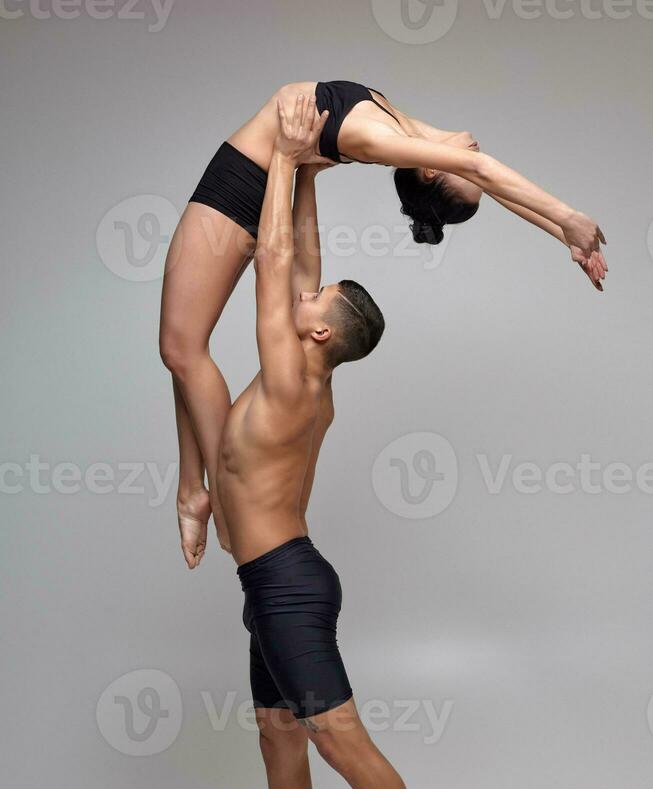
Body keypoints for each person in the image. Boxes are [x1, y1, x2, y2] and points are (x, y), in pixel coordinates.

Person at [203, 97, 457, 789]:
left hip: (285, 585)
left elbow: (275, 261)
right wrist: (311, 171)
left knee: (336, 736)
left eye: (313, 301)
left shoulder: (286, 380)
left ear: (314, 331)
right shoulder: (311, 379)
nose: (303, 292)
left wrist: (278, 156)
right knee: (280, 736)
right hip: (271, 581)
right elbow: (301, 258)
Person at [159, 80, 607, 567]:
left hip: (246, 183)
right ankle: (191, 490)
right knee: (185, 346)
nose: (478, 155)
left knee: (181, 349)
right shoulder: (410, 132)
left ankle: (215, 498)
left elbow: (481, 171)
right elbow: (493, 181)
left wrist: (569, 217)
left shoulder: (381, 140)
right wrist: (562, 231)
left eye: (465, 175)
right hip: (267, 180)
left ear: (433, 170)